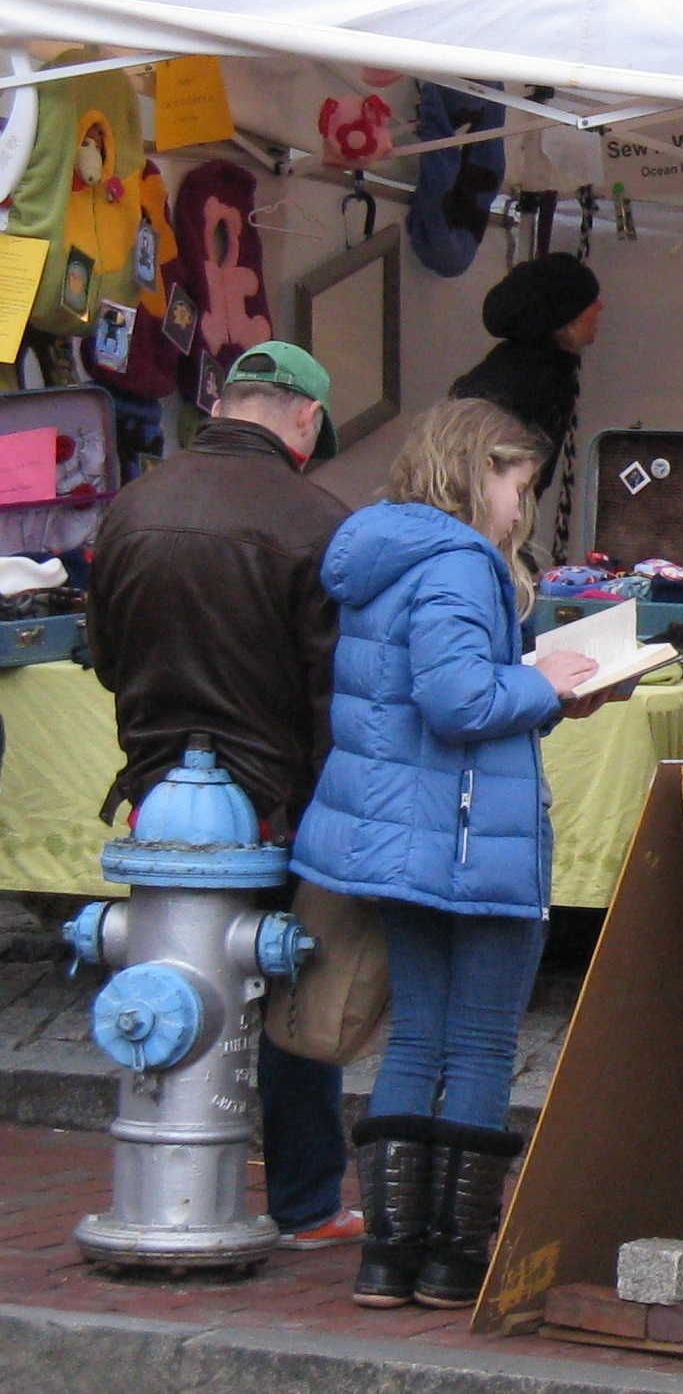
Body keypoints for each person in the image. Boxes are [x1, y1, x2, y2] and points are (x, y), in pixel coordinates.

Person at [290, 399, 606, 1310]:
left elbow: (430, 686)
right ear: (480, 469)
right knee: (474, 1044)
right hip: (473, 841)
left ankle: (387, 1258)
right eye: (521, 485)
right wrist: (541, 682)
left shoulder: (385, 552)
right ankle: (451, 1261)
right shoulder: (463, 561)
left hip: (401, 840)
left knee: (418, 1035)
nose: (524, 510)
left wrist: (542, 691)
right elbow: (459, 700)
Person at [89, 342, 356, 1250]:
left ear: (225, 403)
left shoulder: (132, 505)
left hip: (159, 791)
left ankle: (175, 1171)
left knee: (169, 975)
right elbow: (334, 689)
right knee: (284, 984)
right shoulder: (317, 519)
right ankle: (306, 1200)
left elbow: (106, 657)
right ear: (304, 419)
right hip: (274, 793)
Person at [449, 253, 602, 487]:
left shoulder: (544, 372)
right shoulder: (521, 385)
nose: (599, 307)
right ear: (564, 318)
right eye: (589, 302)